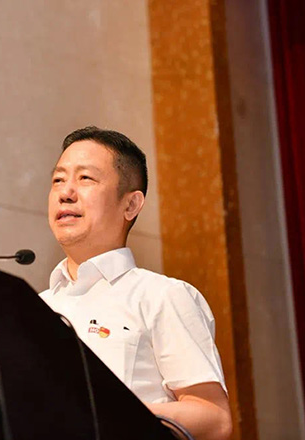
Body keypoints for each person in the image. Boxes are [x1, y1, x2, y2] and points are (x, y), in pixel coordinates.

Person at [39, 126, 232, 440]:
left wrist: (109, 413)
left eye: (85, 178)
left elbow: (214, 419)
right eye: (58, 180)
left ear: (130, 205)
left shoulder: (161, 296)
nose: (65, 192)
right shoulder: (34, 307)